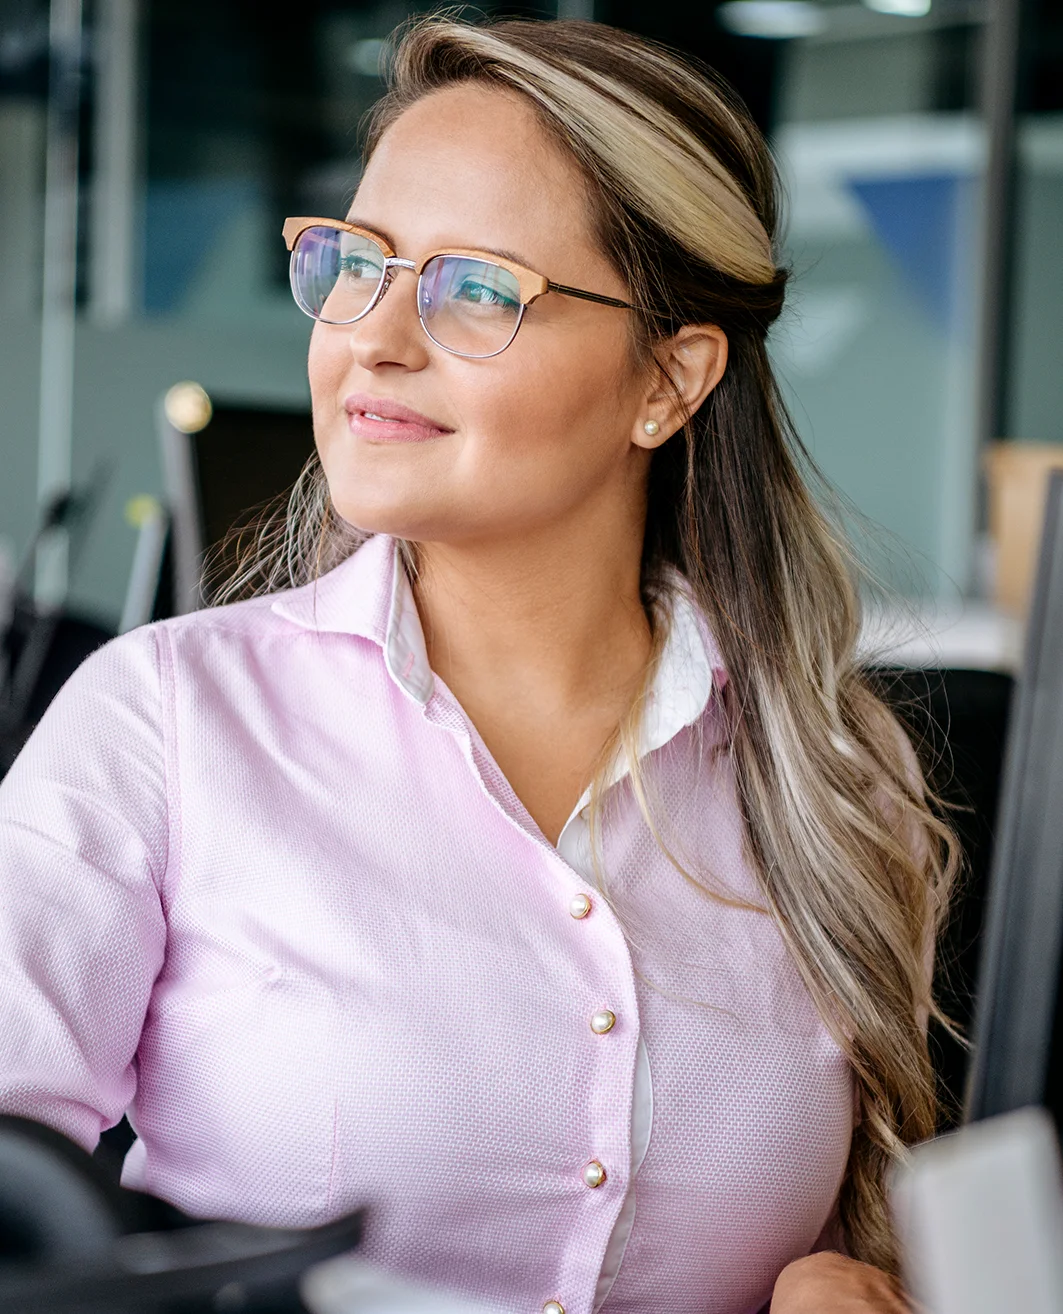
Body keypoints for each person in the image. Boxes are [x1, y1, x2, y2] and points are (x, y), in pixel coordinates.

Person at [0, 15, 957, 1314]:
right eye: (354, 264)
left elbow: (892, 1196)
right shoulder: (165, 720)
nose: (372, 341)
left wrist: (867, 1277)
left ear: (667, 382)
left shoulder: (834, 771)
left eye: (476, 290)